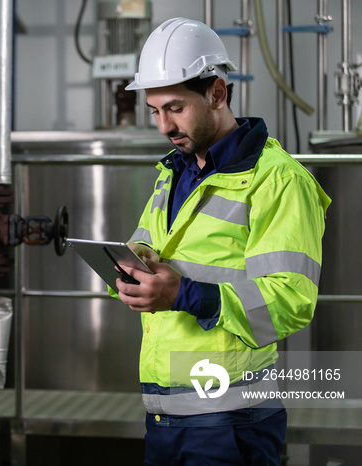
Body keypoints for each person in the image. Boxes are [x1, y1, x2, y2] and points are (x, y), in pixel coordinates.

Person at [111, 17, 331, 465]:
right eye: (154, 110)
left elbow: (291, 301)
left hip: (231, 421)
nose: (163, 126)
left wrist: (182, 293)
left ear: (217, 93)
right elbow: (149, 247)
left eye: (174, 107)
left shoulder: (279, 180)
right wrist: (132, 267)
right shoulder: (173, 172)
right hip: (164, 413)